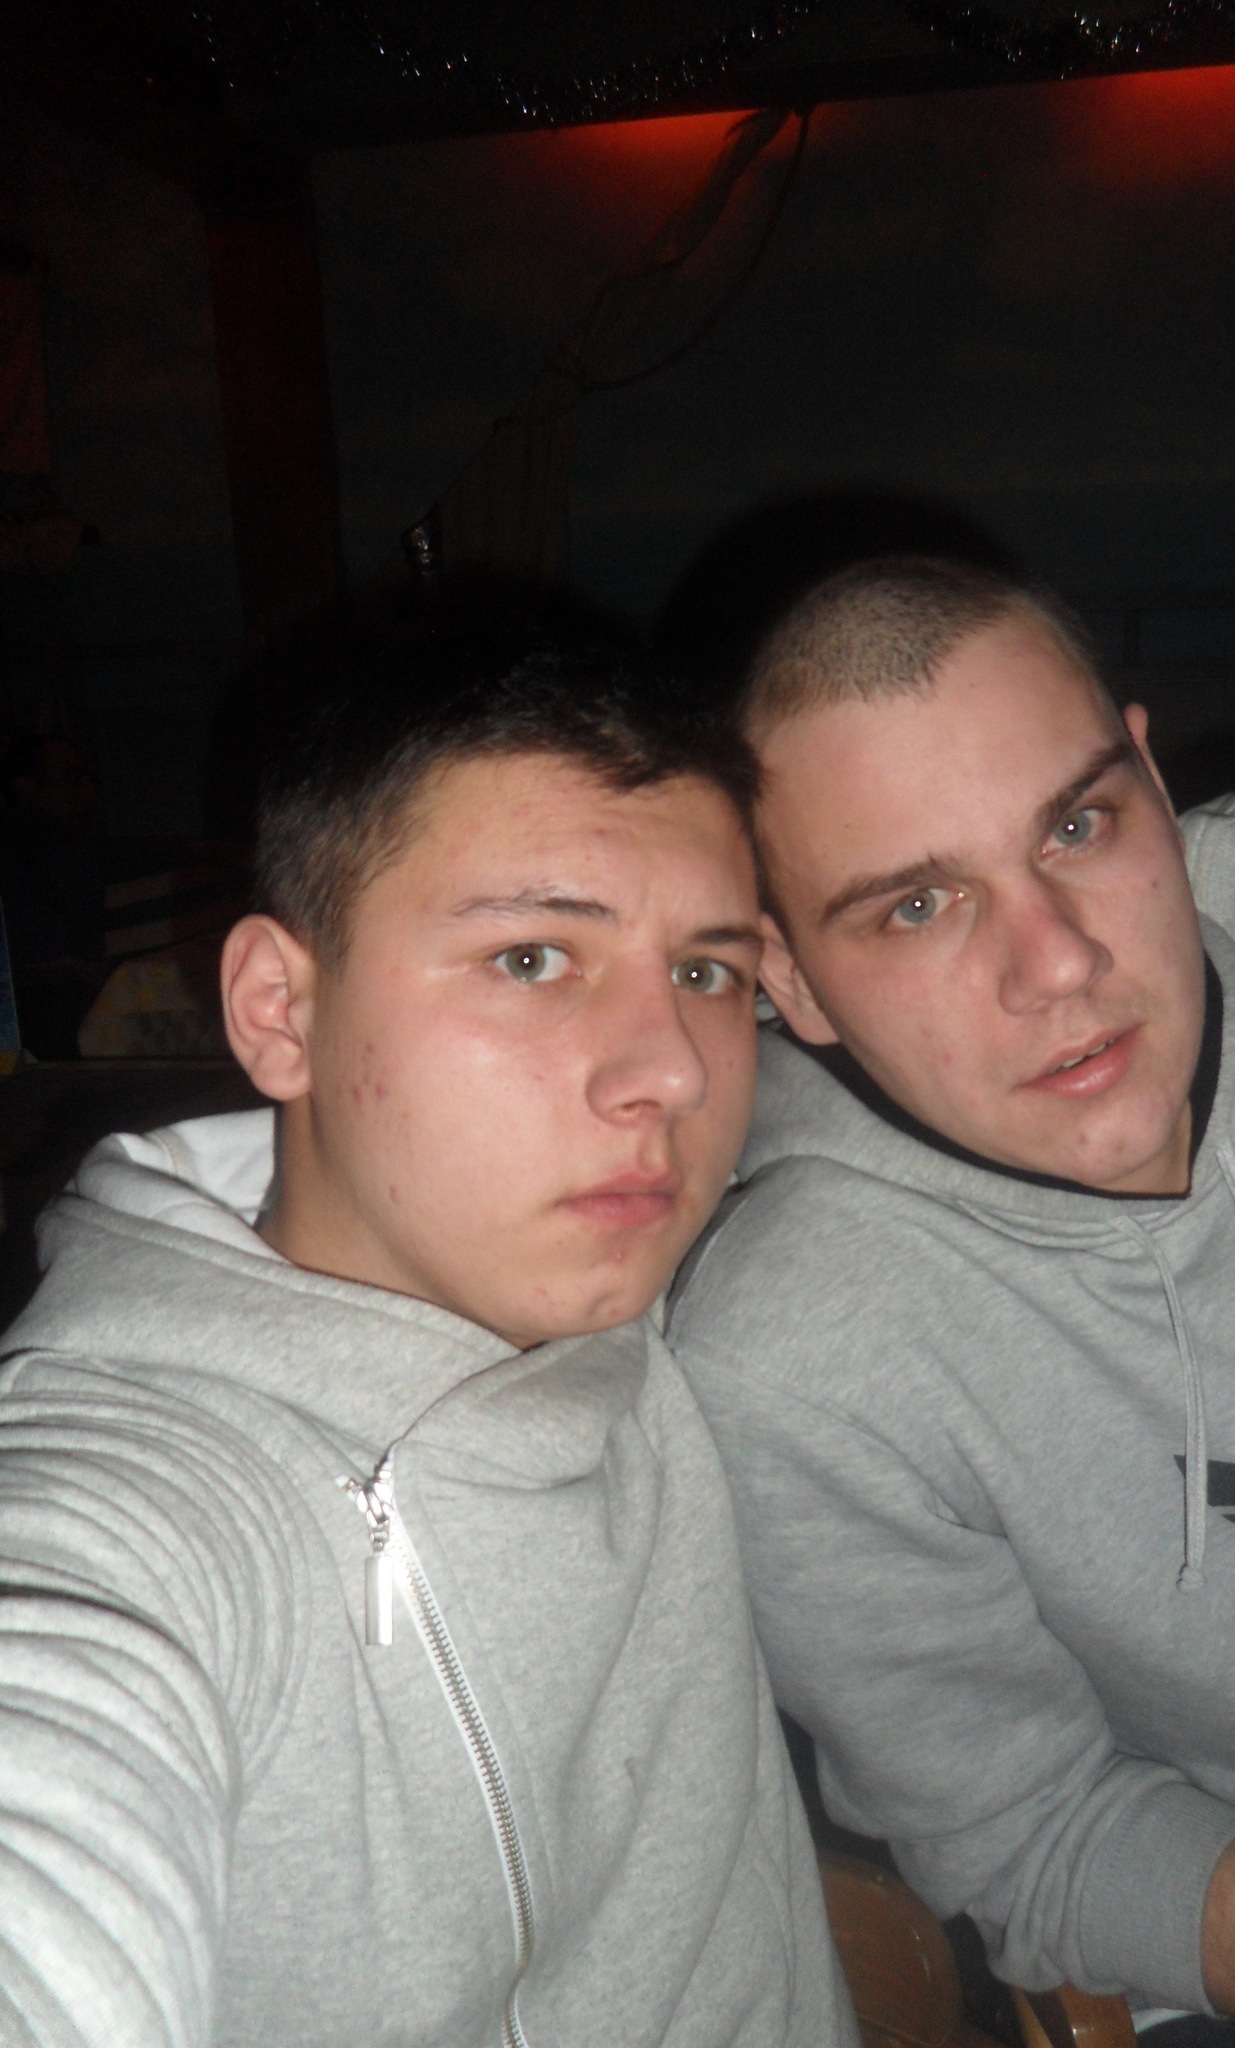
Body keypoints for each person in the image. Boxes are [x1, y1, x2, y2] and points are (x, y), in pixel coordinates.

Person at [666, 556, 1235, 2048]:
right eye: (917, 905)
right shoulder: (794, 1358)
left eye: (1077, 826)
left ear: (1152, 781)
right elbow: (1041, 1833)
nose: (1059, 960)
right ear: (789, 983)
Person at [0, 619, 856, 2048]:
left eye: (708, 972)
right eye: (533, 957)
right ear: (281, 1011)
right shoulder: (131, 1504)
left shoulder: (659, 1250)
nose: (671, 1073)